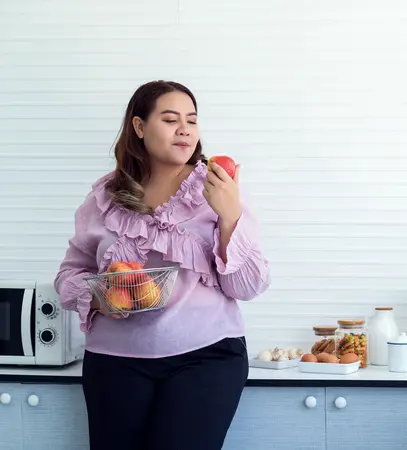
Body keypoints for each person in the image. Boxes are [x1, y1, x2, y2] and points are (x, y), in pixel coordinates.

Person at [54, 80, 271, 450]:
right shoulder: (105, 196)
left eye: (192, 120)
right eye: (170, 119)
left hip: (207, 357)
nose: (185, 128)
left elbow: (248, 287)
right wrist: (101, 296)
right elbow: (67, 276)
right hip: (114, 361)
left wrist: (230, 215)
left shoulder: (219, 187)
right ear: (139, 127)